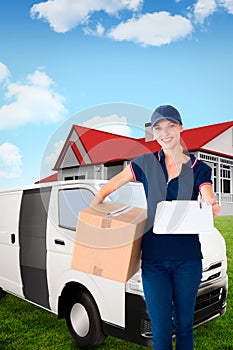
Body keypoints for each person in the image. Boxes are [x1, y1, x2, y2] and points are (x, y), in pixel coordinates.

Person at [91, 105, 221, 350]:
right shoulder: (145, 164)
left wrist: (211, 202)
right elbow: (109, 187)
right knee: (160, 331)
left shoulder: (199, 167)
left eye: (170, 126)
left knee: (184, 327)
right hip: (153, 261)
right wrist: (94, 214)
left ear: (180, 128)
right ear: (153, 134)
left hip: (187, 260)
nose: (165, 132)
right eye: (159, 128)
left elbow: (205, 190)